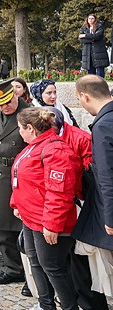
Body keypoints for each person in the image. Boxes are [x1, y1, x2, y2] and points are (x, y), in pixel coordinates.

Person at [11, 107, 83, 310]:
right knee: (35, 261)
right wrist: (16, 203)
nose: (19, 132)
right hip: (31, 217)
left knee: (53, 267)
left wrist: (52, 224)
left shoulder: (55, 150)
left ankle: (69, 307)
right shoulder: (33, 146)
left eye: (20, 128)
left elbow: (59, 192)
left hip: (47, 221)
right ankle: (45, 304)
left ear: (30, 128)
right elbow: (22, 178)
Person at [0, 78, 30, 285]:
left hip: (23, 177)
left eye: (8, 101)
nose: (5, 107)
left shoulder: (29, 114)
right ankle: (13, 269)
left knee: (25, 229)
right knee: (2, 227)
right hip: (0, 175)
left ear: (16, 95)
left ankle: (31, 275)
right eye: (0, 104)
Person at [73, 75, 113, 301]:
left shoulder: (103, 125)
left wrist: (110, 217)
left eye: (79, 100)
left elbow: (107, 176)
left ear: (85, 96)